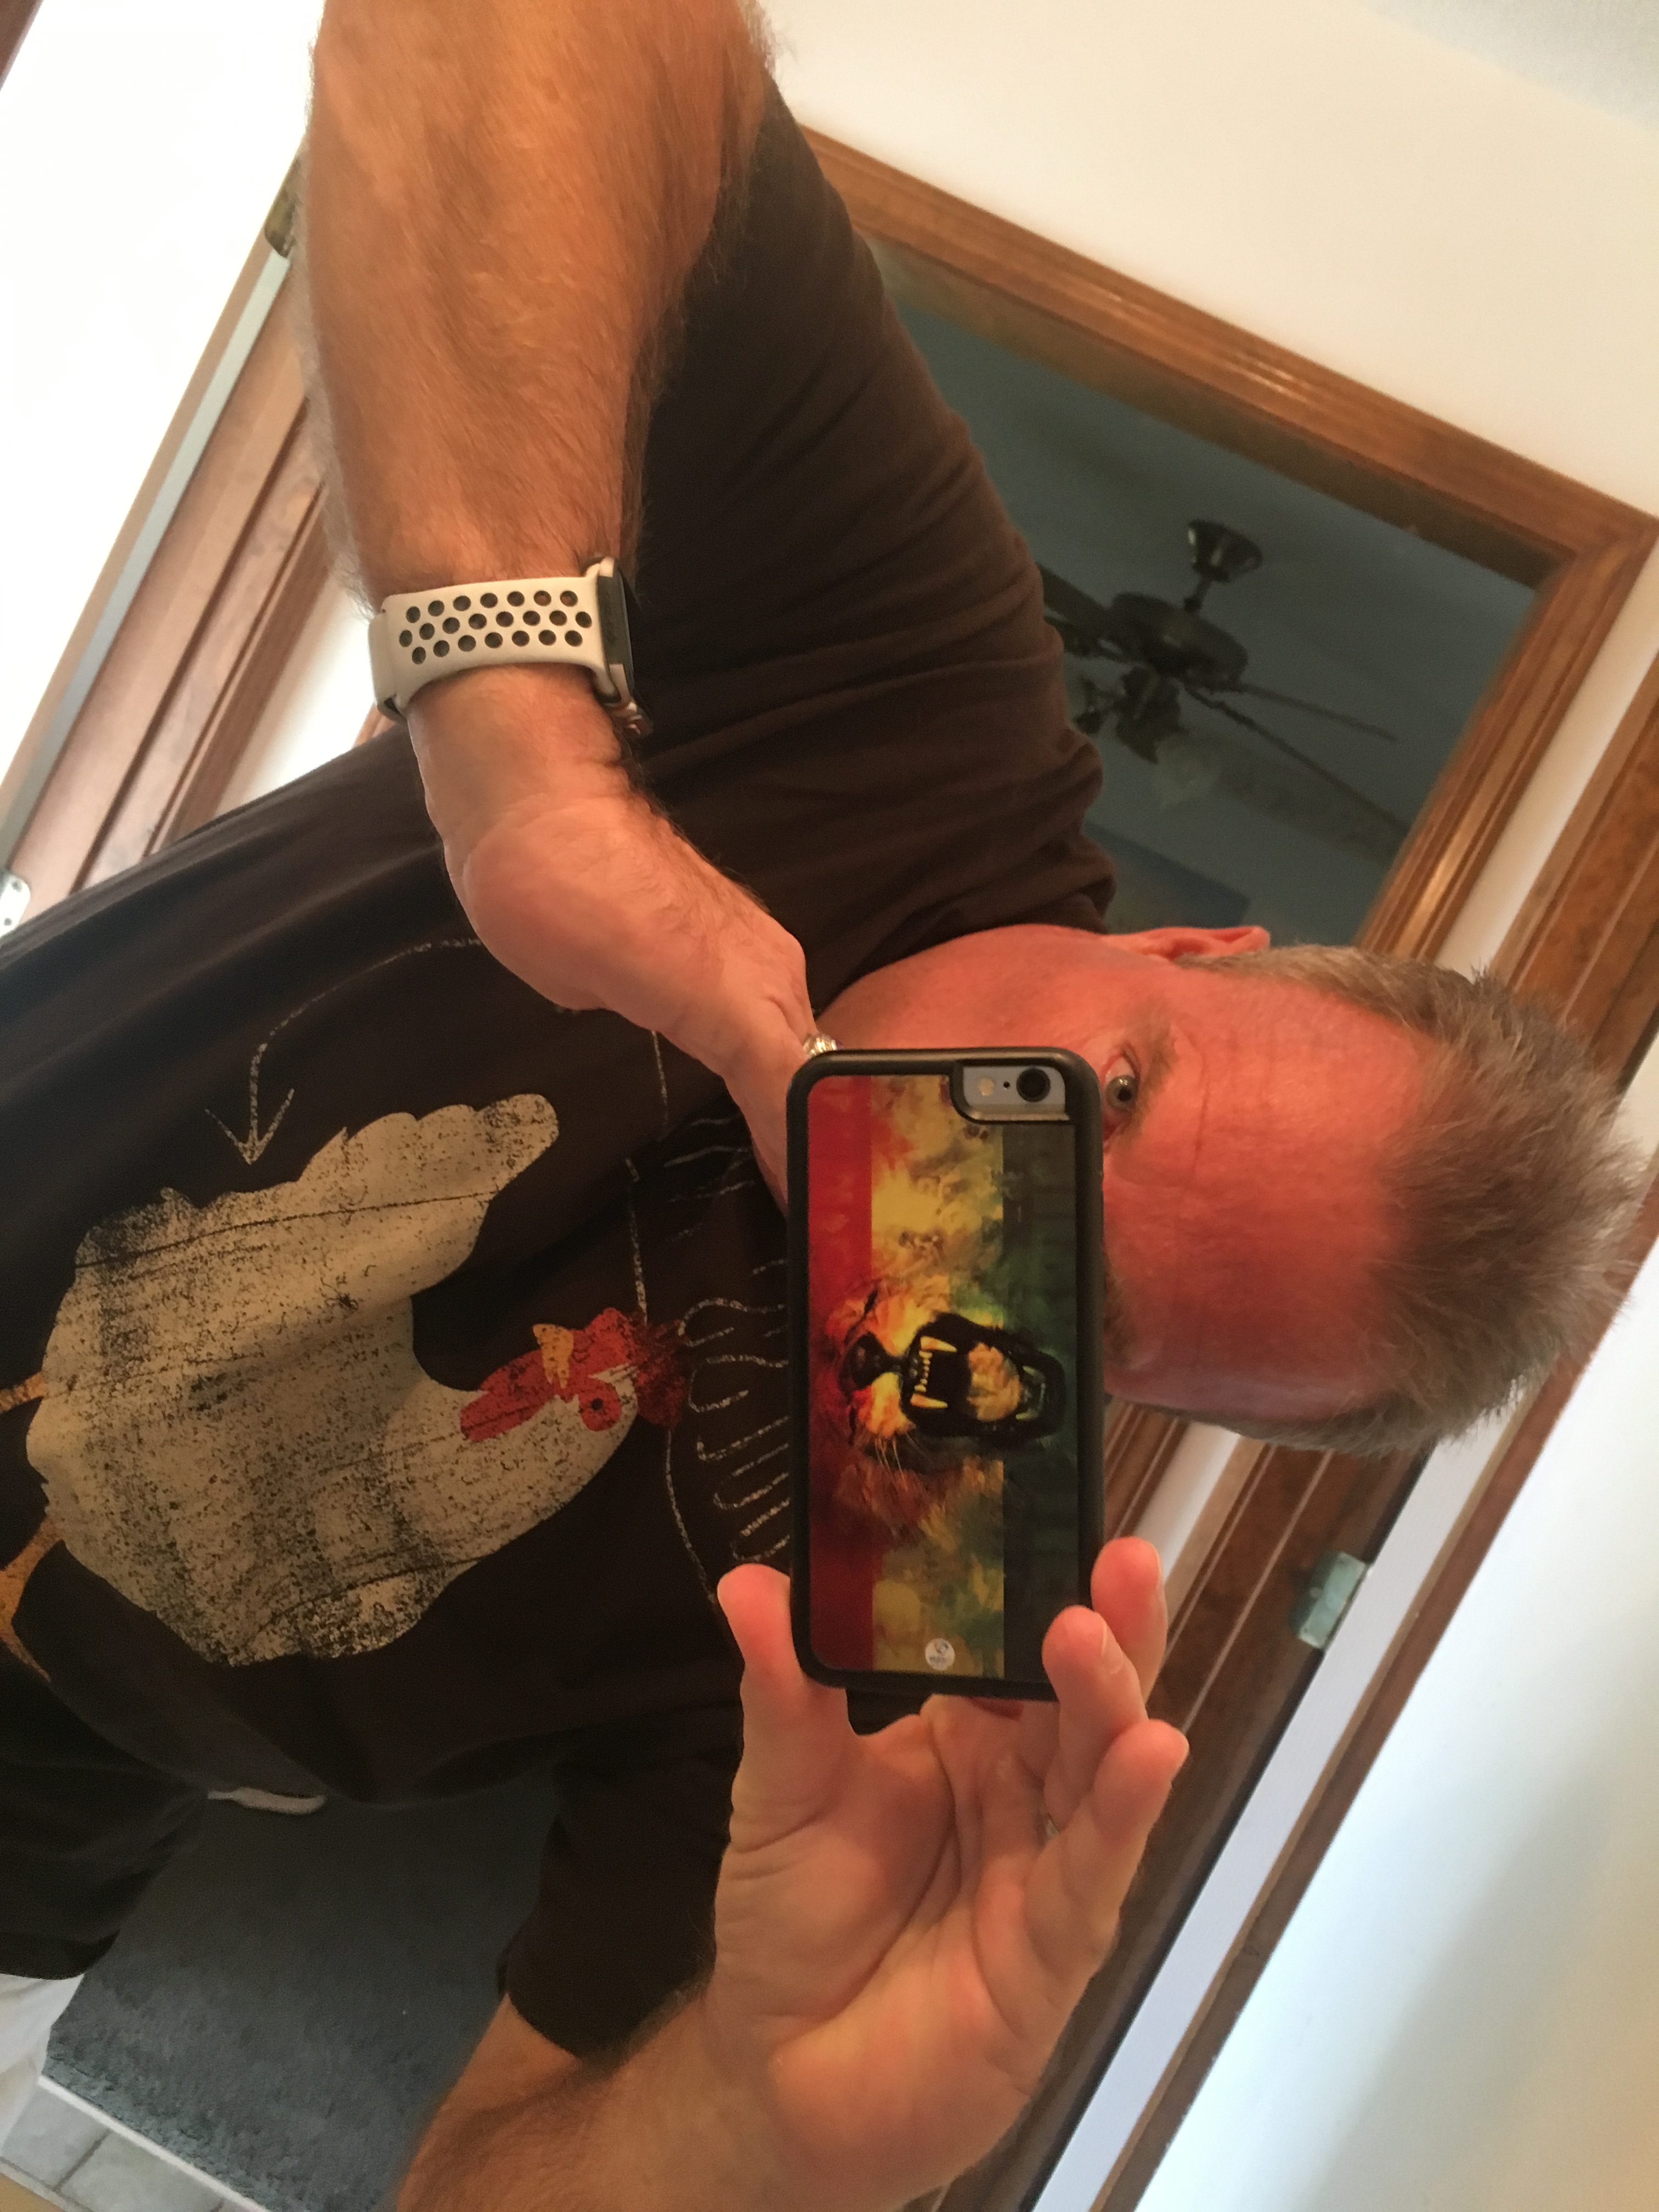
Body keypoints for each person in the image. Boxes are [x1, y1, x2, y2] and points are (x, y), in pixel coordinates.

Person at [0, 4, 1634, 2205]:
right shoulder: (914, 711)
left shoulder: (916, 1598)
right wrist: (522, 752)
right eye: (1098, 1097)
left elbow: (483, 2184)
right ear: (1185, 951)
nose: (964, 1183)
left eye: (1084, 1310)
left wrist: (749, 2125)